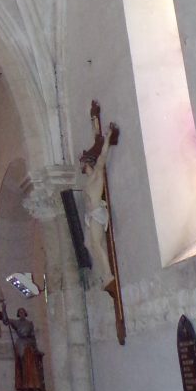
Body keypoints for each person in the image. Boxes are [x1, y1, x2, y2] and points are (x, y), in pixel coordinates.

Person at [80, 108, 120, 294]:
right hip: (90, 215)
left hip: (97, 212)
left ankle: (108, 275)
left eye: (83, 162)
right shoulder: (87, 181)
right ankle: (102, 273)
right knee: (88, 244)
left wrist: (109, 135)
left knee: (96, 243)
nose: (81, 165)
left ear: (88, 163)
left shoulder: (96, 175)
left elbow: (102, 156)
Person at [0, 304, 45, 391]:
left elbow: (33, 336)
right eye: (20, 312)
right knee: (23, 366)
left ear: (25, 313)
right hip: (21, 344)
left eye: (23, 312)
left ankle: (33, 385)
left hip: (29, 344)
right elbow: (6, 321)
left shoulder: (30, 323)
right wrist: (3, 309)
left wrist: (36, 348)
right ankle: (25, 385)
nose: (21, 313)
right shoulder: (16, 323)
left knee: (32, 366)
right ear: (18, 314)